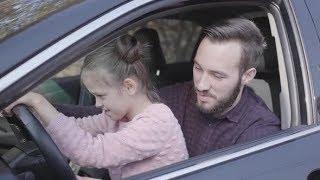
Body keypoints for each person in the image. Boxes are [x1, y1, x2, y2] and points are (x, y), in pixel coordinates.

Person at [3, 35, 188, 179]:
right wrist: (35, 114)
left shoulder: (156, 122)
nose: (98, 105)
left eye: (101, 95)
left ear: (129, 86)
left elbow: (90, 152)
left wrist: (39, 102)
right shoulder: (116, 117)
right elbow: (77, 127)